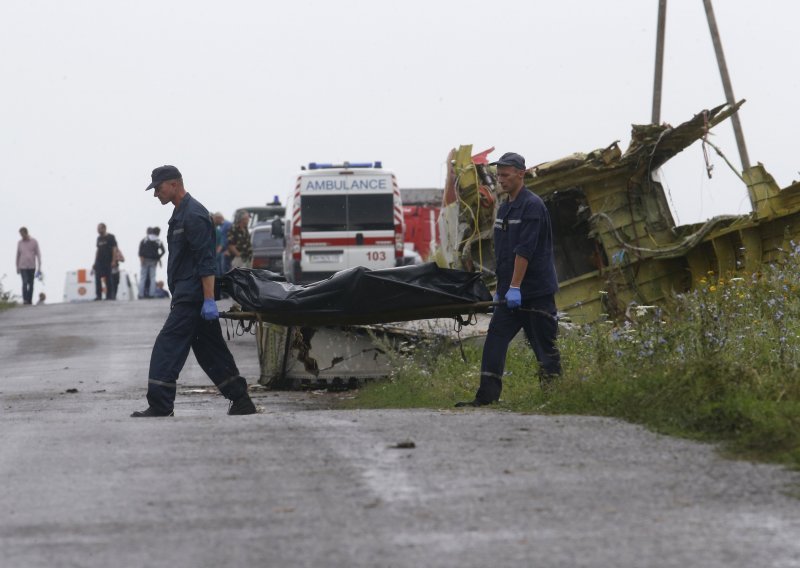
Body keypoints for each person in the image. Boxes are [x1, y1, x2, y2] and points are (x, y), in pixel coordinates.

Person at [132, 165, 256, 417]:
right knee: (211, 351)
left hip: (193, 298)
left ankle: (160, 404)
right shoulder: (180, 214)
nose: (156, 193)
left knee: (167, 346)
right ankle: (241, 399)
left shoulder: (194, 215)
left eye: (158, 187)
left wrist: (208, 300)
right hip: (188, 295)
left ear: (174, 184)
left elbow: (206, 261)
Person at [456, 152, 562, 407]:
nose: (500, 180)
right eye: (498, 175)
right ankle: (486, 398)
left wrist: (515, 287)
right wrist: (503, 290)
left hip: (534, 293)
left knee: (544, 349)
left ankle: (556, 398)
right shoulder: (505, 208)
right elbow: (503, 252)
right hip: (509, 294)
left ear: (520, 174)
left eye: (505, 175)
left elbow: (524, 251)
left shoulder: (532, 206)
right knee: (495, 342)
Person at [16, 227, 41, 305]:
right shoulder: (20, 243)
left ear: (26, 233)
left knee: (31, 283)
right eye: (20, 234)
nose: (21, 236)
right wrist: (17, 266)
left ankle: (29, 300)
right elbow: (18, 255)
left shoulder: (34, 242)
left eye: (22, 234)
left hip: (31, 266)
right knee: (24, 282)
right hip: (22, 266)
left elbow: (38, 254)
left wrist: (39, 267)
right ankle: (25, 300)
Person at [93, 223, 118, 300]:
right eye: (97, 229)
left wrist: (113, 261)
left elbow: (114, 249)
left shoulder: (111, 237)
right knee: (97, 278)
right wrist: (95, 261)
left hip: (108, 261)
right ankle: (98, 295)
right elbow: (97, 250)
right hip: (99, 262)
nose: (98, 230)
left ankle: (109, 295)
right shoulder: (98, 238)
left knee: (108, 278)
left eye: (99, 228)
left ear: (104, 228)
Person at [138, 226, 165, 298]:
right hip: (154, 260)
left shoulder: (145, 239)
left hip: (145, 260)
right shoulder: (158, 241)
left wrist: (141, 258)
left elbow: (140, 250)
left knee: (143, 277)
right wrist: (158, 257)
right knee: (152, 277)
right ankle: (151, 294)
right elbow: (163, 251)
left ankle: (141, 294)